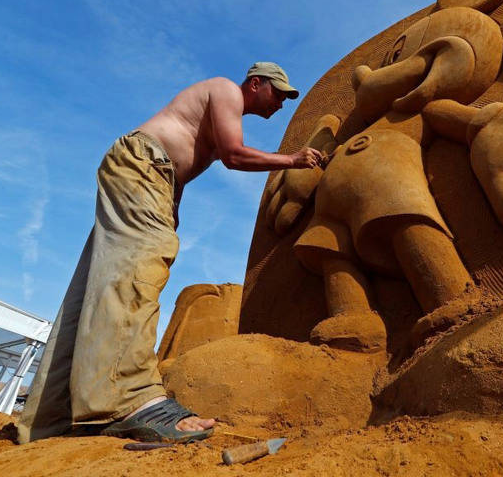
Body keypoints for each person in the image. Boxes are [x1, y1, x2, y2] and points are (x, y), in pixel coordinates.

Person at [18, 62, 322, 444]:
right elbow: (234, 155)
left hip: (146, 173)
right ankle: (130, 398)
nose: (280, 103)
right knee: (139, 269)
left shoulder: (218, 114)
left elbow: (186, 163)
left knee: (99, 283)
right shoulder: (226, 90)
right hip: (144, 165)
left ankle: (52, 415)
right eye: (277, 92)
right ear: (255, 83)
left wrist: (172, 203)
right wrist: (293, 159)